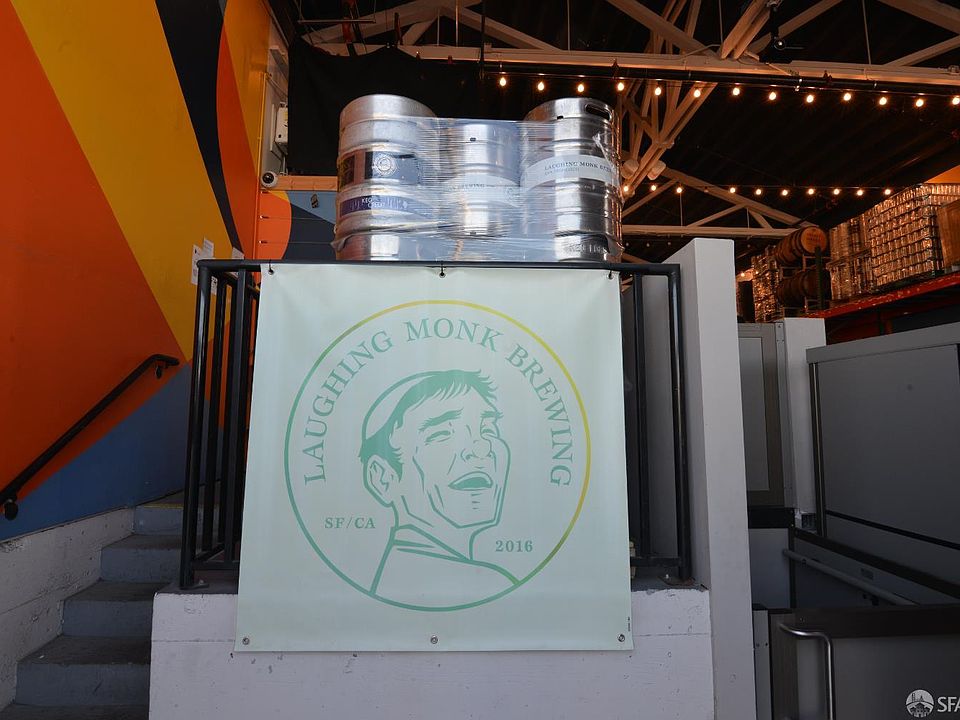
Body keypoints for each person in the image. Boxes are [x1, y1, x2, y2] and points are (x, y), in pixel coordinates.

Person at [359, 370, 517, 603]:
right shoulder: (494, 588)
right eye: (442, 433)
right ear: (383, 478)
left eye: (487, 430)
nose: (481, 448)